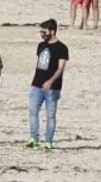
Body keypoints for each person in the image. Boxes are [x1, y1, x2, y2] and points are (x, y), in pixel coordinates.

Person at [25, 18, 69, 150]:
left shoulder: (62, 48)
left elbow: (60, 69)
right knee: (33, 112)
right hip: (36, 85)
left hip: (52, 88)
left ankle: (48, 141)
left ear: (52, 31)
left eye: (44, 32)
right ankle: (34, 138)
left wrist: (50, 81)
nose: (42, 34)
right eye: (41, 32)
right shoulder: (41, 46)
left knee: (50, 115)